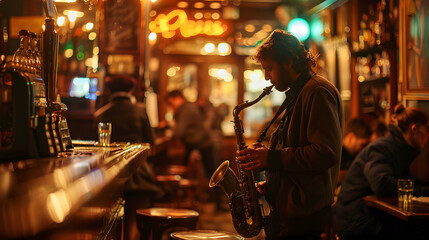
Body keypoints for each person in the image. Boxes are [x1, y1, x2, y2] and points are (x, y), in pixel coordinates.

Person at [236, 29, 343, 240]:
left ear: (290, 62)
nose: (267, 77)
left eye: (270, 69)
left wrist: (271, 158)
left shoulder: (317, 91)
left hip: (303, 216)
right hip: (291, 212)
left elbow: (324, 152)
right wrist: (272, 176)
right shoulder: (300, 92)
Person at [335, 104, 429, 240]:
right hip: (355, 219)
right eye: (427, 129)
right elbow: (382, 185)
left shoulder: (399, 149)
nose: (428, 135)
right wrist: (425, 191)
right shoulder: (383, 148)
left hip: (369, 215)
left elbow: (405, 182)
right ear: (414, 129)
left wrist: (425, 188)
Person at [164, 90, 216, 181]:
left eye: (171, 103)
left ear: (178, 98)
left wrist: (169, 130)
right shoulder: (188, 107)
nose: (171, 106)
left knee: (212, 175)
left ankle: (215, 194)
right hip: (203, 143)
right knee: (210, 174)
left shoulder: (185, 110)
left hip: (202, 145)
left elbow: (179, 133)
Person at [93, 75, 155, 144]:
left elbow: (95, 142)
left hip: (110, 154)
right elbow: (150, 140)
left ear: (109, 90)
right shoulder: (140, 110)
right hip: (136, 153)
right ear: (131, 90)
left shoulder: (99, 114)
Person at [339, 118, 372, 183]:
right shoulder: (337, 156)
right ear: (351, 137)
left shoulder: (352, 156)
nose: (364, 149)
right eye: (363, 145)